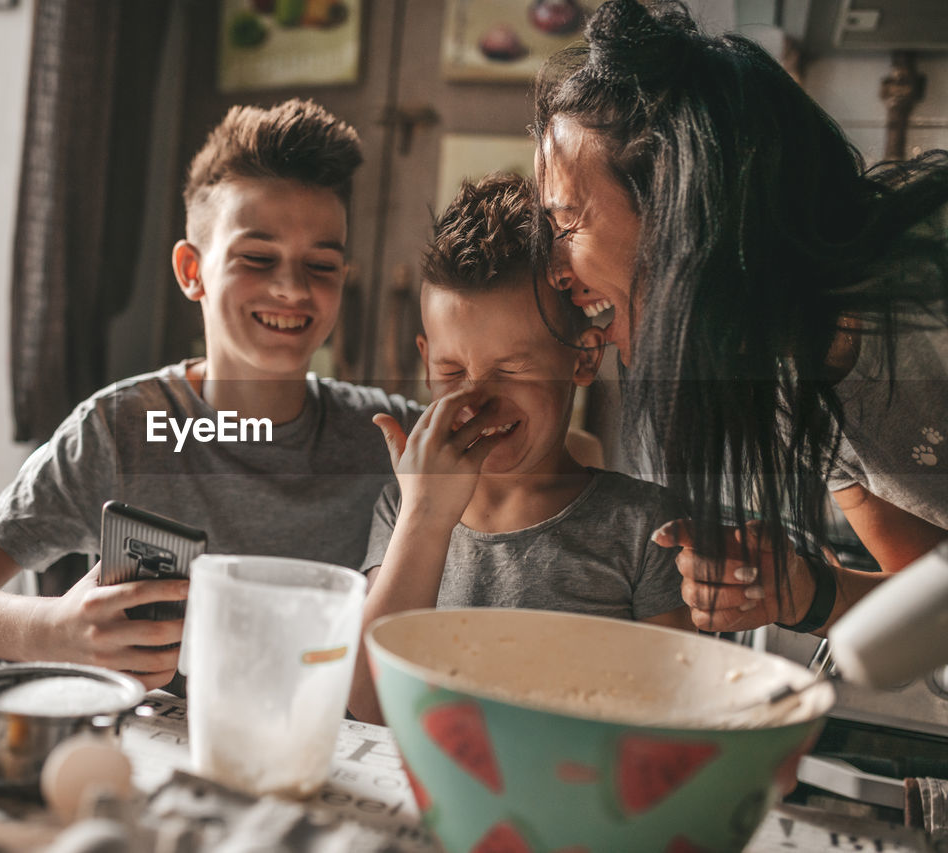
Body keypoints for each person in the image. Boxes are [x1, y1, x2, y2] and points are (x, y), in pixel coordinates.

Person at [0, 99, 422, 689]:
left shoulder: (395, 439)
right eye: (257, 258)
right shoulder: (120, 430)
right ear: (191, 270)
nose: (291, 288)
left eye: (321, 265)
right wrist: (52, 629)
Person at [532, 0, 948, 636]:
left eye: (566, 223)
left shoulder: (930, 297)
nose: (555, 270)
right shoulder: (786, 374)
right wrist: (804, 591)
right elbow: (927, 601)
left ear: (677, 205)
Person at [348, 174, 693, 724]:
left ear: (582, 359)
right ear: (424, 356)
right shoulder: (402, 511)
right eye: (451, 370)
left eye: (511, 369)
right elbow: (367, 708)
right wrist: (426, 517)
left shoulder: (643, 528)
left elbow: (678, 722)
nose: (476, 398)